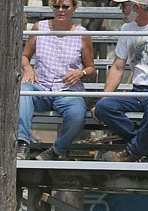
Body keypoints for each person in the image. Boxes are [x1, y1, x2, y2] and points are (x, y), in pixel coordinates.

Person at [17, 0, 93, 161]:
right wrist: (29, 69)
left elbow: (91, 68)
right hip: (41, 87)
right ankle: (22, 143)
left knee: (77, 113)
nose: (60, 10)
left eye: (65, 6)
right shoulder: (39, 27)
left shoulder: (82, 33)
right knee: (23, 91)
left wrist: (81, 72)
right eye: (56, 6)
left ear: (74, 8)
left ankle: (56, 150)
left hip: (68, 90)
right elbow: (24, 56)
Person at [93, 0, 148, 162]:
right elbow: (118, 67)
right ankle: (141, 144)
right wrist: (103, 98)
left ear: (136, 7)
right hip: (137, 91)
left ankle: (132, 152)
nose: (121, 9)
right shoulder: (126, 29)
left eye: (124, 5)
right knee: (103, 107)